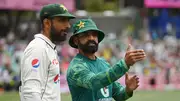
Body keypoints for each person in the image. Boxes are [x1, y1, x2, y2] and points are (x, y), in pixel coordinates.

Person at [67, 19, 146, 101]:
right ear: (76, 41)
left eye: (94, 35)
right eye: (85, 35)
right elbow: (94, 82)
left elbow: (118, 95)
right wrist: (124, 64)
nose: (91, 38)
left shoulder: (104, 63)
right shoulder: (76, 67)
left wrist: (128, 90)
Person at [19, 4, 75, 101]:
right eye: (62, 20)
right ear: (47, 23)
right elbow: (31, 92)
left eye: (68, 21)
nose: (68, 25)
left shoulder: (48, 47)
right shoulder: (38, 48)